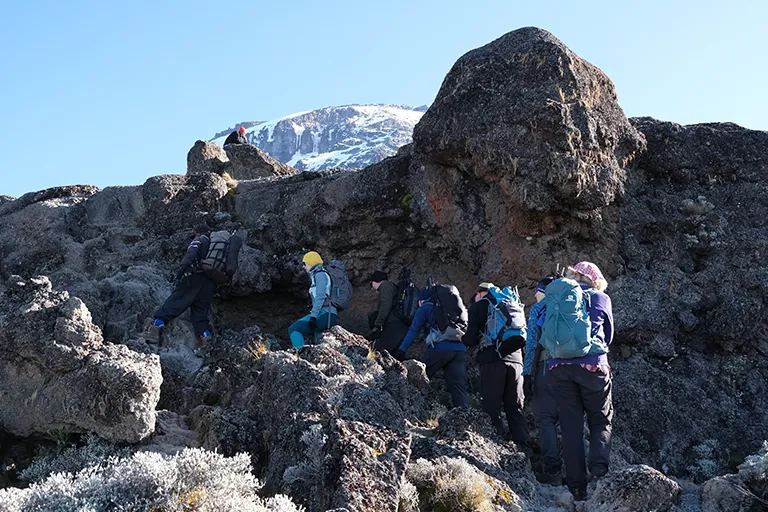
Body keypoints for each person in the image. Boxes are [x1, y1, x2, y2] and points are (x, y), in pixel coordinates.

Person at [546, 262, 614, 501]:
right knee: (600, 420)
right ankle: (598, 473)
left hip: (559, 366)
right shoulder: (600, 297)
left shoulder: (560, 297)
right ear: (596, 280)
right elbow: (609, 334)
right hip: (593, 366)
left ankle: (577, 489)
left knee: (570, 427)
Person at [461, 282, 528, 443]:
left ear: (479, 293)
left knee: (491, 406)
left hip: (492, 360)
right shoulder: (512, 304)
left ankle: (495, 444)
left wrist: (460, 337)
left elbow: (469, 339)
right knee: (515, 408)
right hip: (516, 361)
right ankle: (523, 447)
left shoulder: (478, 307)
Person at [394, 288, 468, 408]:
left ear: (421, 300)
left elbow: (413, 331)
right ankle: (463, 416)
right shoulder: (455, 308)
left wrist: (401, 350)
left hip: (440, 350)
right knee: (458, 387)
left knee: (417, 375)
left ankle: (413, 409)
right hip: (460, 350)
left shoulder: (425, 308)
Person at [152, 225, 215, 354]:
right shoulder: (214, 244)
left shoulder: (199, 239)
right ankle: (206, 339)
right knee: (200, 313)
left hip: (194, 276)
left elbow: (190, 255)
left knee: (176, 301)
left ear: (197, 234)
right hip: (210, 282)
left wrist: (180, 274)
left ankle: (155, 328)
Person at [523, 276, 562, 484]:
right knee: (570, 421)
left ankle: (553, 472)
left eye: (536, 290)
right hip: (576, 369)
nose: (534, 295)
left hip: (547, 367)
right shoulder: (573, 305)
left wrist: (527, 373)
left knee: (545, 419)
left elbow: (531, 345)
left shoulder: (540, 308)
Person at [288, 251, 338, 348]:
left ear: (311, 263)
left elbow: (320, 296)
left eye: (305, 263)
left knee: (294, 329)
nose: (303, 266)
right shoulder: (317, 275)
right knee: (319, 343)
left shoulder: (320, 275)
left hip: (325, 314)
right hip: (326, 314)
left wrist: (313, 317)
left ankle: (300, 355)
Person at [367, 270, 409, 354]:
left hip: (394, 324)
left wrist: (378, 324)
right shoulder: (390, 287)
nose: (372, 287)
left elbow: (385, 306)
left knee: (377, 351)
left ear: (375, 281)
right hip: (399, 325)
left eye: (371, 284)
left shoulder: (385, 286)